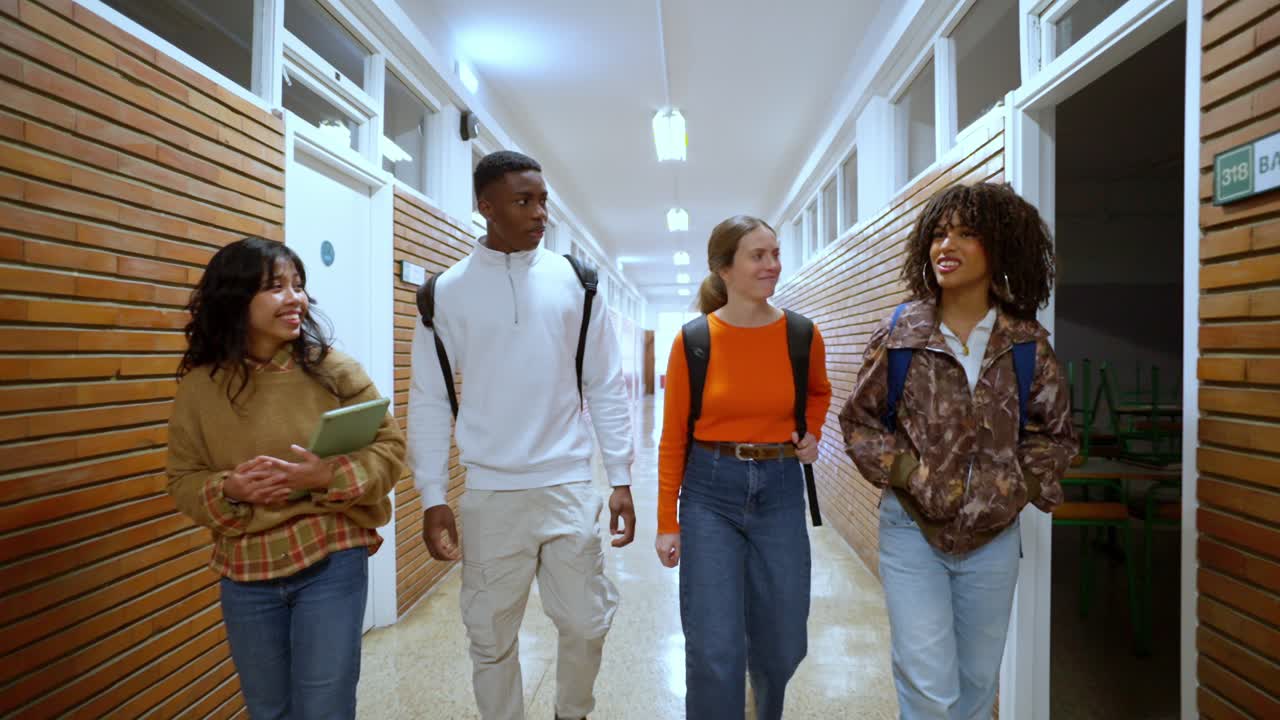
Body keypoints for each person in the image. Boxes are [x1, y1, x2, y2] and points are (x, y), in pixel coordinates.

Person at [407, 150, 636, 720]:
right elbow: (430, 401)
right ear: (485, 207)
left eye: (542, 201)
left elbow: (606, 384)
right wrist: (432, 495)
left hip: (567, 483)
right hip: (490, 494)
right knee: (489, 637)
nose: (539, 214)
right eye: (523, 201)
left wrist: (622, 477)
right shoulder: (445, 294)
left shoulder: (577, 283)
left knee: (586, 622)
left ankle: (571, 713)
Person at [839, 182, 1077, 719]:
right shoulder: (901, 334)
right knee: (927, 687)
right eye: (940, 234)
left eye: (967, 234)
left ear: (1000, 248)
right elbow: (858, 421)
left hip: (993, 538)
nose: (947, 245)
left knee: (975, 688)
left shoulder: (1026, 343)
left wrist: (1016, 485)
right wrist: (907, 472)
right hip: (911, 531)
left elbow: (1057, 435)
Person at [166, 236, 405, 720]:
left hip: (330, 556)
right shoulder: (198, 387)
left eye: (298, 285)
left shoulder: (333, 369)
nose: (295, 298)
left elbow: (390, 448)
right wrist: (228, 489)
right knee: (268, 708)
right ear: (234, 299)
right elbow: (183, 478)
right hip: (244, 568)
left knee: (325, 705)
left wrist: (328, 476)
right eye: (276, 287)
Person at [654, 215, 832, 720]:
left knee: (782, 643)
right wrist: (668, 520)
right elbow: (673, 439)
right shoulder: (694, 341)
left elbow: (818, 392)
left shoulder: (801, 334)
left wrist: (810, 432)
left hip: (779, 489)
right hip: (710, 491)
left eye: (775, 253)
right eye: (758, 256)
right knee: (715, 645)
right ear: (724, 269)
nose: (772, 265)